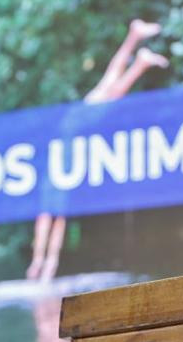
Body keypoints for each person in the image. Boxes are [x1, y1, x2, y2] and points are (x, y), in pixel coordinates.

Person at [26, 18, 169, 282]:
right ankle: (138, 52)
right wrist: (44, 262)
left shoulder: (56, 176)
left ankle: (138, 51)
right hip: (74, 129)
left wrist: (44, 262)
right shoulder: (56, 177)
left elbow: (50, 220)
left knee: (111, 88)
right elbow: (50, 220)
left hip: (74, 127)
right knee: (110, 87)